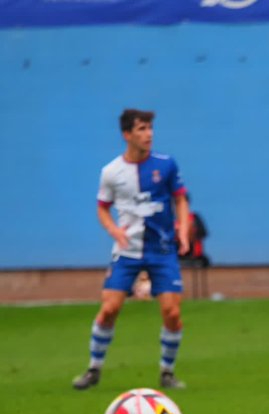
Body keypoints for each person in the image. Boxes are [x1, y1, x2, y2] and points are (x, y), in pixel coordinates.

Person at [72, 109, 191, 391]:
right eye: (141, 129)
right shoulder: (111, 172)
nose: (148, 134)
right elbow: (102, 208)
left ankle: (167, 372)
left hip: (162, 250)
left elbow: (180, 199)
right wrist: (113, 230)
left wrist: (183, 230)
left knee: (172, 314)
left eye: (150, 128)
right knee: (109, 309)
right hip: (127, 251)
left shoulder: (166, 164)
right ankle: (93, 369)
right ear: (127, 134)